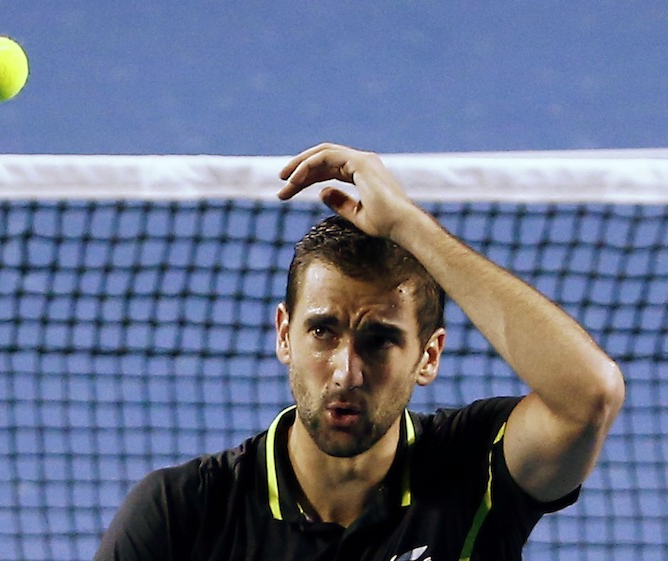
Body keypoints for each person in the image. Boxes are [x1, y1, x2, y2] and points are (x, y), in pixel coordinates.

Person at [93, 143, 625, 560]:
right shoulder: (183, 513)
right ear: (284, 335)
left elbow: (590, 396)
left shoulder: (477, 469)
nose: (346, 372)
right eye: (323, 332)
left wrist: (407, 225)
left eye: (380, 340)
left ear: (429, 356)